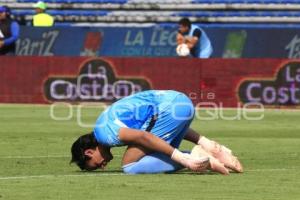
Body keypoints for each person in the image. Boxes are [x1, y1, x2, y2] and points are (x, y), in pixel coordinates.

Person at [71, 90, 243, 174]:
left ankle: (196, 158)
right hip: (182, 102)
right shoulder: (103, 124)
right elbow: (162, 128)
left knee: (129, 166)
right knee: (156, 150)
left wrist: (182, 158)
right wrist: (203, 140)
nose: (102, 167)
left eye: (95, 164)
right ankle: (211, 151)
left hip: (168, 108)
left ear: (89, 152)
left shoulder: (105, 135)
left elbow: (144, 136)